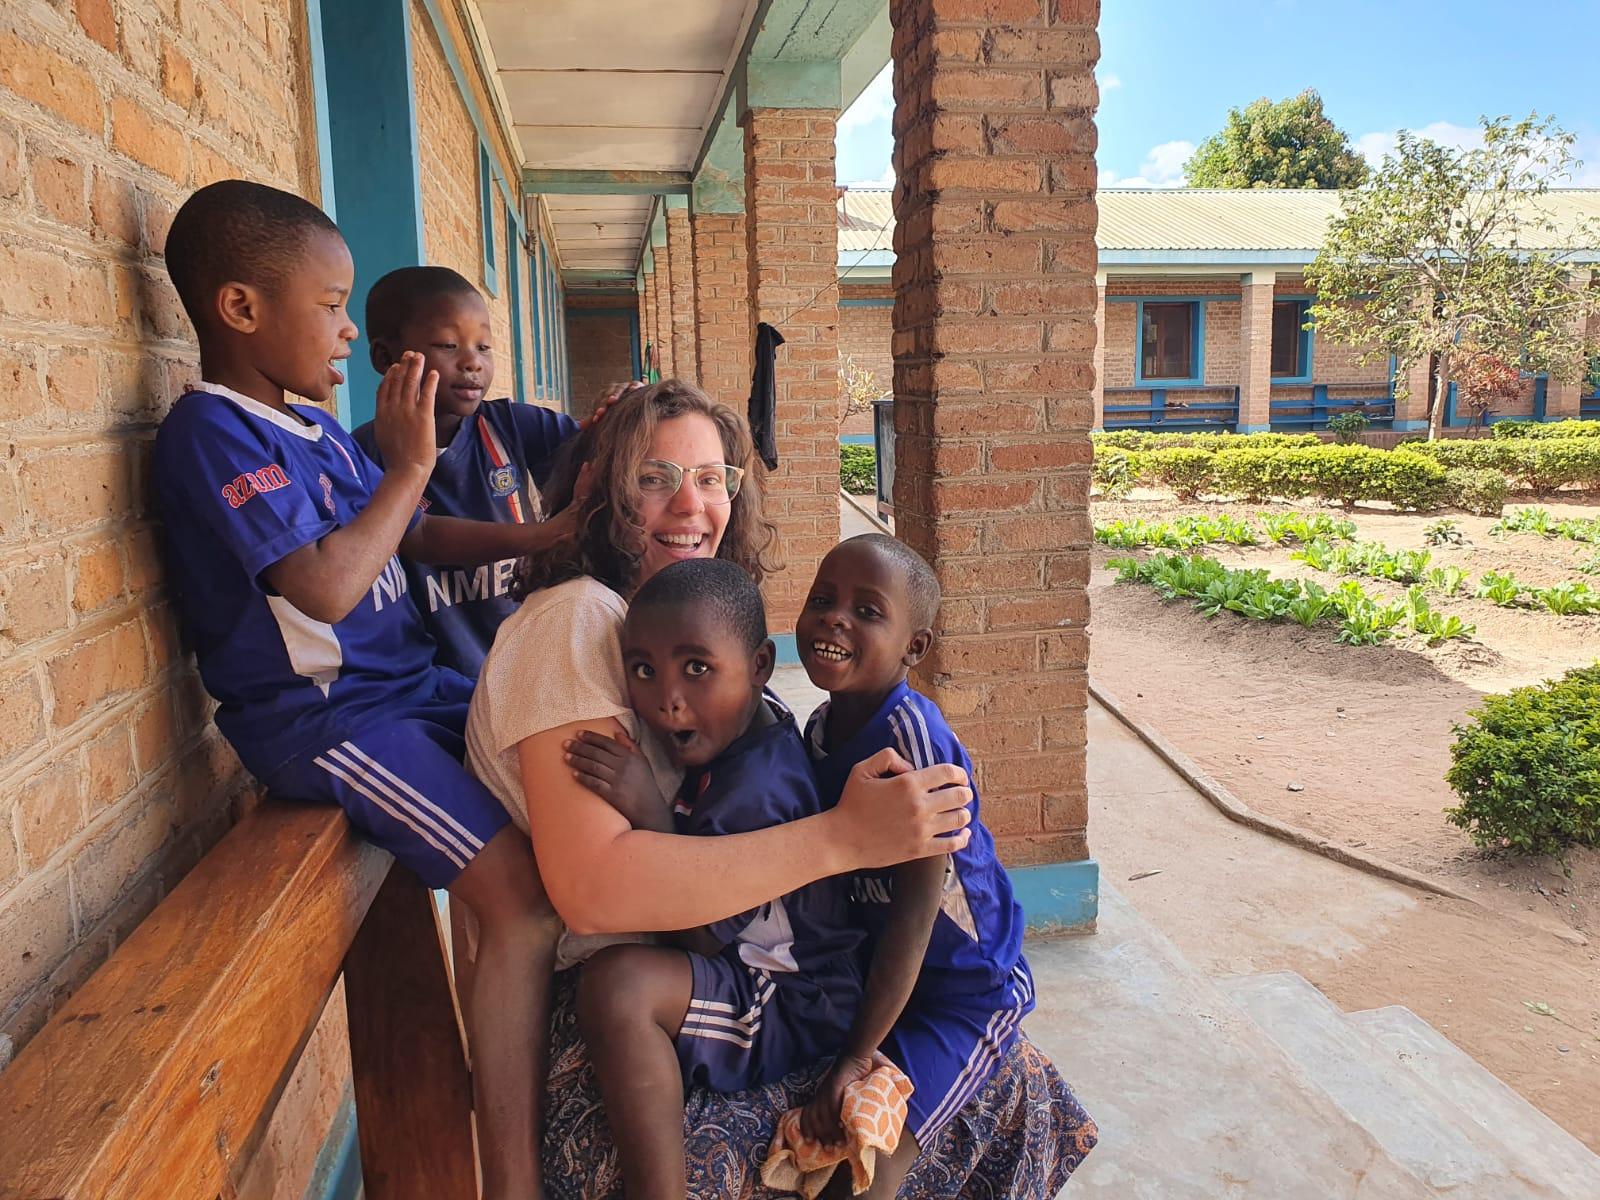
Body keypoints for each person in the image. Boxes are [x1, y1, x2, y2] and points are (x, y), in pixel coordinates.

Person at [151, 179, 570, 1200]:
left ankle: (553, 1086)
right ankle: (513, 1174)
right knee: (519, 902)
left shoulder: (308, 427)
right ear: (240, 309)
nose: (349, 329)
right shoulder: (213, 434)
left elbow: (410, 535)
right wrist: (410, 466)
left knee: (572, 804)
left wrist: (541, 537)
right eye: (332, 304)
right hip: (336, 725)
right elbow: (330, 586)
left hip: (413, 692)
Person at [462, 379, 974, 1190]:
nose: (690, 505)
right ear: (597, 490)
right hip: (651, 980)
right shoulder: (579, 622)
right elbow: (597, 890)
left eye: (711, 479)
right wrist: (842, 836)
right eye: (653, 478)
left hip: (734, 962)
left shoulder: (668, 625)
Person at [568, 558, 865, 1199]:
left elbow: (701, 936)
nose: (666, 697)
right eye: (643, 670)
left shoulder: (755, 790)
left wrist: (648, 811)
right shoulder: (750, 727)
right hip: (758, 967)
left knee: (618, 988)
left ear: (759, 666)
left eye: (697, 668)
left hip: (790, 998)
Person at [797, 534, 1037, 1199]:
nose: (835, 618)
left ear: (915, 648)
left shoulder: (913, 742)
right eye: (823, 599)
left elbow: (913, 918)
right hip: (884, 974)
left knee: (870, 1160)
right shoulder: (818, 733)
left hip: (966, 992)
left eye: (867, 611)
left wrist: (855, 1055)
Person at [352, 266, 587, 677]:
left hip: (529, 663)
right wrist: (542, 535)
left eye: (484, 347)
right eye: (448, 344)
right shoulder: (361, 457)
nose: (472, 363)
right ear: (385, 357)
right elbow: (417, 537)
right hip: (435, 680)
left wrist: (623, 409)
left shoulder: (509, 426)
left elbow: (599, 449)